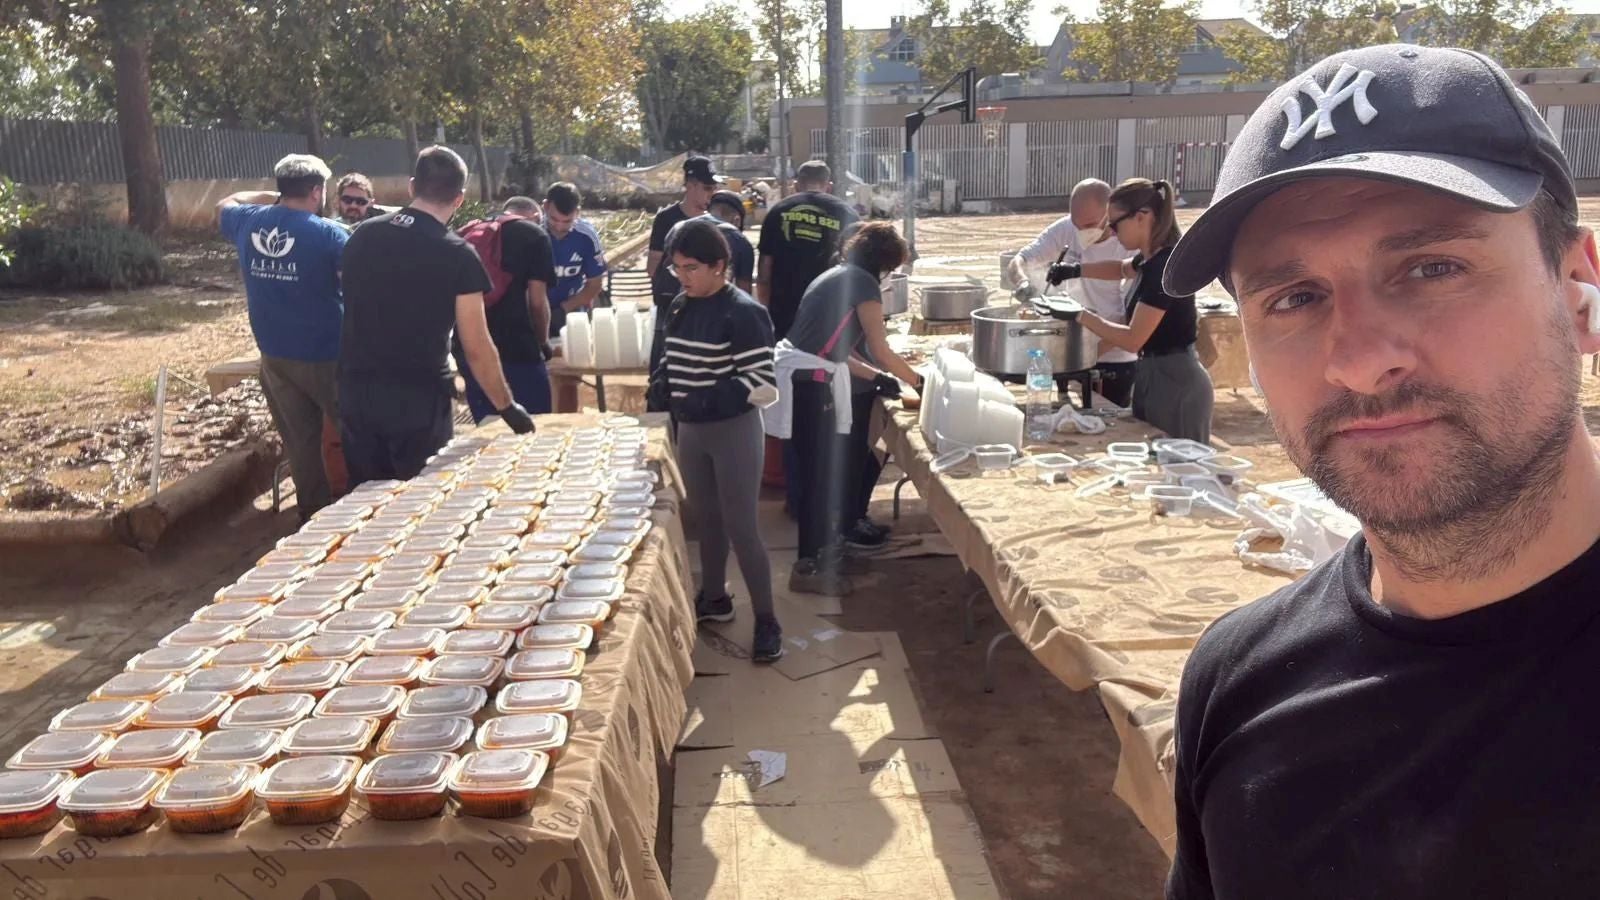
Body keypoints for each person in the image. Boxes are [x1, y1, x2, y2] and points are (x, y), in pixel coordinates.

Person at [1159, 45, 1600, 898]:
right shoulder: (1239, 683)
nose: (1359, 361)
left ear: (1577, 288)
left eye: (1433, 268)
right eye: (1293, 298)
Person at [339, 146, 534, 485]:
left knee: (367, 507)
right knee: (421, 505)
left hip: (357, 395)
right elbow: (476, 345)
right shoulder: (457, 254)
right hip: (418, 400)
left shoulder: (362, 236)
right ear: (459, 199)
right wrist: (506, 406)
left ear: (412, 187)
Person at [646, 219, 782, 662]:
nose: (682, 277)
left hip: (732, 430)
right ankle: (714, 597)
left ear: (719, 266)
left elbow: (763, 383)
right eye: (676, 269)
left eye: (691, 268)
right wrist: (662, 385)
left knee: (742, 525)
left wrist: (708, 400)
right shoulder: (682, 306)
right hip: (693, 430)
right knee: (705, 517)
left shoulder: (743, 313)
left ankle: (767, 620)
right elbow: (669, 356)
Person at [772, 222, 925, 596]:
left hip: (804, 375)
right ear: (885, 265)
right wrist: (918, 381)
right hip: (812, 384)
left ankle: (828, 547)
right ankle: (809, 566)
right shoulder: (863, 284)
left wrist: (875, 376)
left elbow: (837, 347)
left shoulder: (836, 275)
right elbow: (880, 347)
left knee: (819, 474)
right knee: (818, 478)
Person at [217, 153, 350, 518]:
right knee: (355, 433)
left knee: (301, 441)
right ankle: (365, 511)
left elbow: (225, 202)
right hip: (328, 353)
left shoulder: (247, 221)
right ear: (317, 191)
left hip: (275, 354)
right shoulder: (330, 234)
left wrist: (270, 195)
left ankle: (312, 513)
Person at [1051, 178, 1212, 441]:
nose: (1111, 233)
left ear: (1142, 217)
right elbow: (1120, 268)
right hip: (1152, 374)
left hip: (1177, 383)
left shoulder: (1163, 268)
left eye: (1115, 224)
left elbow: (1132, 339)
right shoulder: (1149, 258)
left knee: (1184, 467)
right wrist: (1075, 270)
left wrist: (1079, 315)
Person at [1009, 178, 1137, 407]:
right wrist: (1022, 282)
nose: (1081, 232)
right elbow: (1022, 259)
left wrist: (1086, 357)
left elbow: (1128, 319)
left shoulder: (1128, 245)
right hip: (1072, 355)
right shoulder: (1067, 228)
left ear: (1110, 214)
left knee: (1108, 425)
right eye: (1077, 225)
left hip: (1113, 360)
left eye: (1089, 225)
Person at [451, 196, 559, 419]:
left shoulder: (466, 233)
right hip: (518, 348)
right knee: (535, 428)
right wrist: (542, 342)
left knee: (488, 431)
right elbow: (537, 302)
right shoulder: (535, 235)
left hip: (471, 353)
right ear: (537, 217)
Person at [757, 160, 858, 339]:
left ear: (796, 185)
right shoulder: (847, 214)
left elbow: (764, 272)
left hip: (784, 313)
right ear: (829, 186)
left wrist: (766, 316)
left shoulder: (777, 211)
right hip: (831, 312)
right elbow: (858, 268)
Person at [645, 156, 721, 382]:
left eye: (714, 188)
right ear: (690, 185)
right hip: (671, 309)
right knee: (662, 375)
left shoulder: (716, 221)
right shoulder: (665, 219)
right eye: (707, 187)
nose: (711, 193)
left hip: (708, 311)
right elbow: (652, 267)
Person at [665, 190, 754, 295]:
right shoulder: (740, 241)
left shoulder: (679, 229)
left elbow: (664, 269)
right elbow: (744, 292)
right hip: (718, 308)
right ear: (737, 220)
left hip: (674, 304)